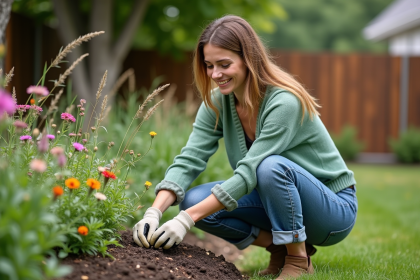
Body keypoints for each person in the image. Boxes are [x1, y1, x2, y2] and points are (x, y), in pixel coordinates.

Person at [133, 15, 357, 280]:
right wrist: (154, 212)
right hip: (275, 200)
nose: (215, 74)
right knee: (193, 202)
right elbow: (189, 159)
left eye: (224, 64)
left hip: (331, 210)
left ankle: (298, 261)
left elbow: (250, 171)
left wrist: (185, 221)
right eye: (209, 65)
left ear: (248, 59)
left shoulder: (284, 102)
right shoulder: (218, 103)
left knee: (269, 165)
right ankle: (281, 248)